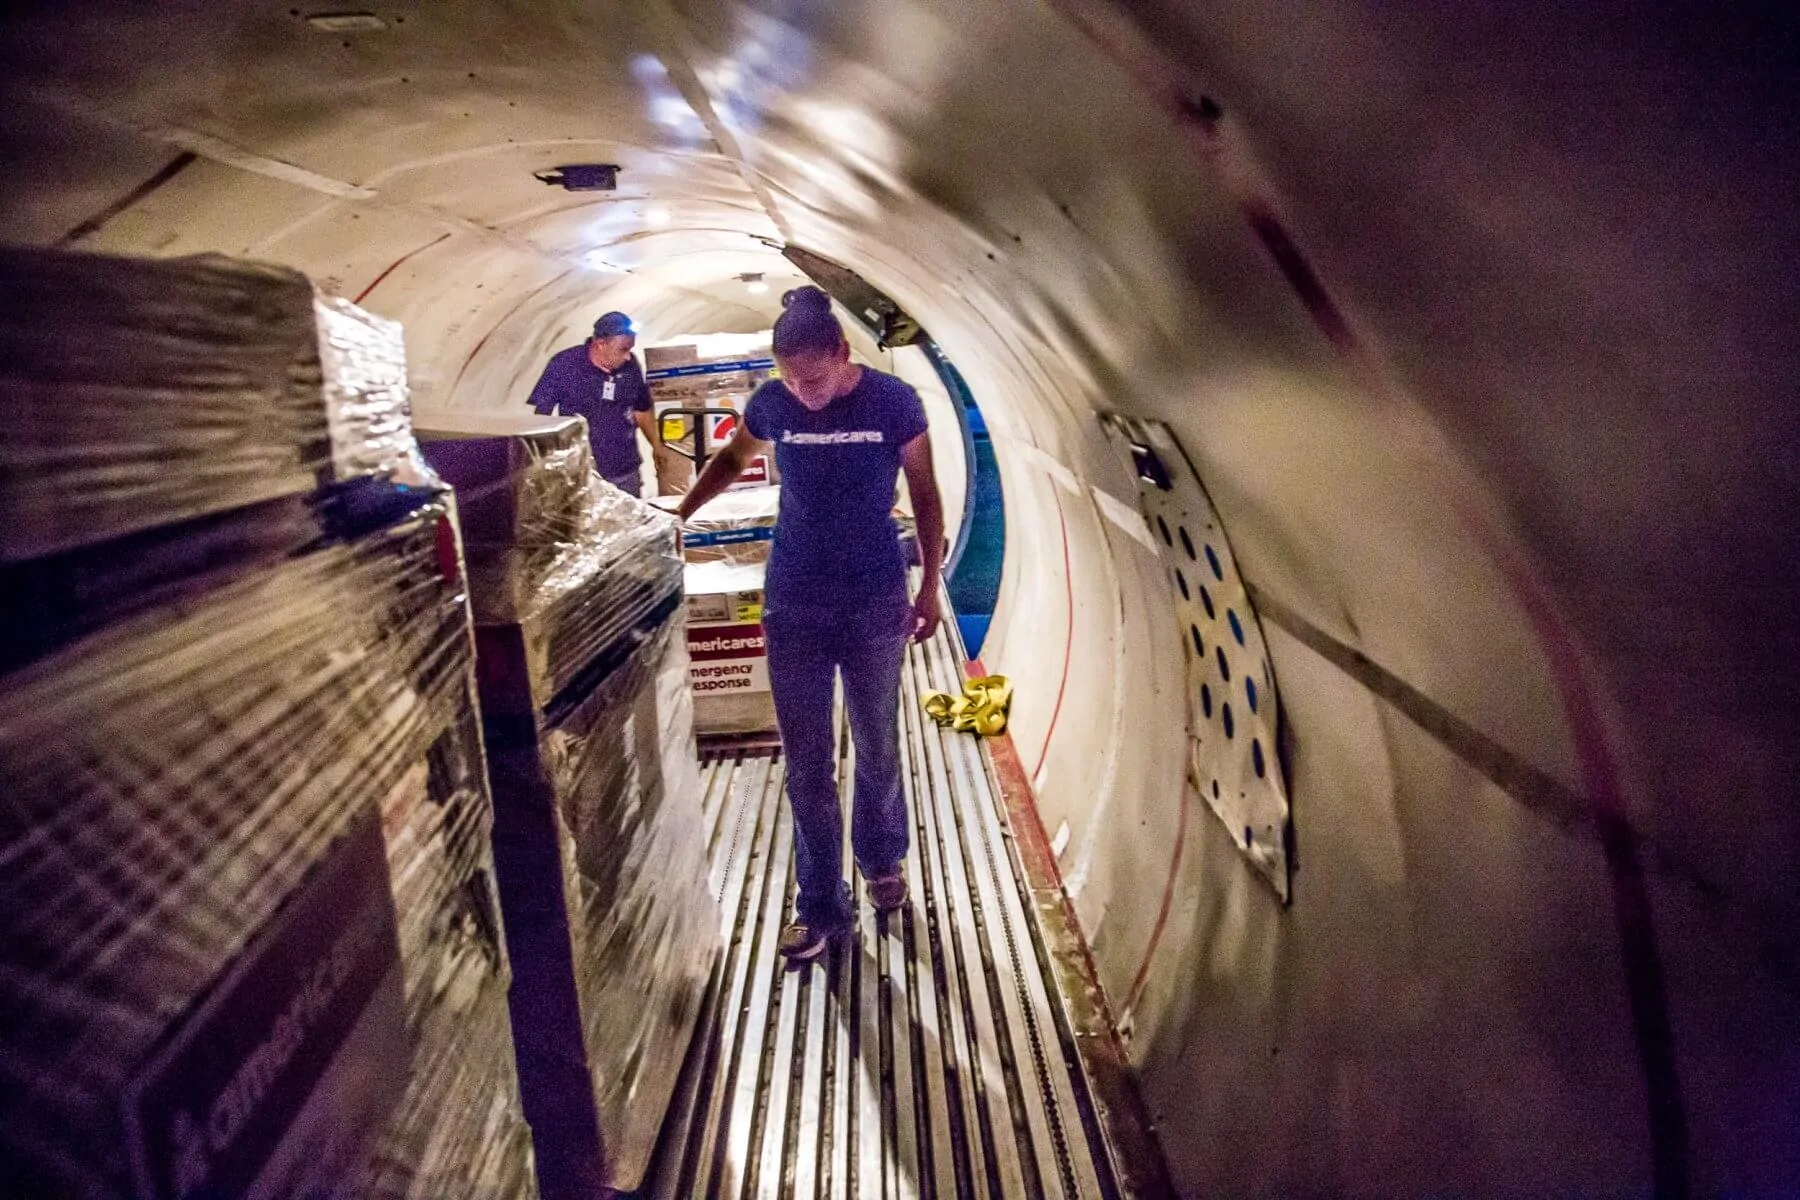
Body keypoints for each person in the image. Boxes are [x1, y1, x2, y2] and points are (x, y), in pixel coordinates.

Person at [677, 286, 945, 961]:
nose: (804, 391)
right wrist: (679, 514)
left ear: (843, 354)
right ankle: (821, 904)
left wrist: (932, 585)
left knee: (877, 737)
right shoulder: (772, 404)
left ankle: (883, 859)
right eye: (791, 378)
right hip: (794, 599)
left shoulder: (893, 403)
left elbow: (925, 492)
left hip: (874, 596)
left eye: (815, 378)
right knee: (806, 762)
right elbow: (734, 459)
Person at [527, 311, 661, 496]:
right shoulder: (565, 364)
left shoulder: (630, 367)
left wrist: (657, 447)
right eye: (623, 349)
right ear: (600, 344)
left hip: (625, 470)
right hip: (581, 472)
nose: (628, 356)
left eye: (630, 349)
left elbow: (641, 409)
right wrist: (544, 460)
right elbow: (543, 414)